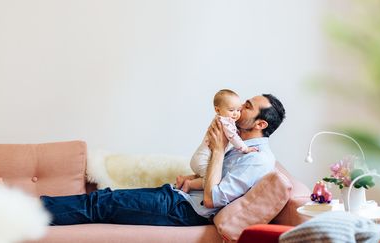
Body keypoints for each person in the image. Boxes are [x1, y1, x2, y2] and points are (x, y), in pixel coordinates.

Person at [39, 93, 286, 226]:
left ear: (261, 124)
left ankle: (26, 210)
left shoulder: (259, 160)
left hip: (186, 210)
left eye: (248, 106)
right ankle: (26, 207)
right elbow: (218, 178)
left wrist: (219, 151)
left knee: (101, 204)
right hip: (180, 196)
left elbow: (214, 199)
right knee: (104, 198)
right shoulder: (241, 145)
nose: (240, 107)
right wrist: (193, 179)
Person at [176, 89, 258, 193]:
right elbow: (233, 137)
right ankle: (189, 184)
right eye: (231, 110)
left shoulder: (222, 119)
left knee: (205, 173)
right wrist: (245, 149)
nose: (236, 114)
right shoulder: (225, 122)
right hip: (202, 159)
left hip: (201, 157)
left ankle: (184, 179)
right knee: (210, 180)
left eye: (238, 110)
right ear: (218, 110)